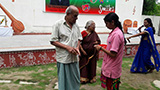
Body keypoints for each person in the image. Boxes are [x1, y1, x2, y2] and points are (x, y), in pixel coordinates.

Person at [50, 5, 82, 90]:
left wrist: (77, 48)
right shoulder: (58, 25)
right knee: (64, 82)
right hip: (64, 58)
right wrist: (67, 47)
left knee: (75, 80)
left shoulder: (76, 26)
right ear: (68, 14)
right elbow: (53, 41)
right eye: (75, 16)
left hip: (74, 58)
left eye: (77, 16)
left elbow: (79, 38)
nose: (77, 18)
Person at [94, 12, 125, 90]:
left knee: (111, 87)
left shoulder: (117, 35)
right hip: (110, 65)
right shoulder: (114, 32)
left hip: (112, 68)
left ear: (112, 22)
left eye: (106, 23)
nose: (106, 25)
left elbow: (113, 54)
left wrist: (101, 48)